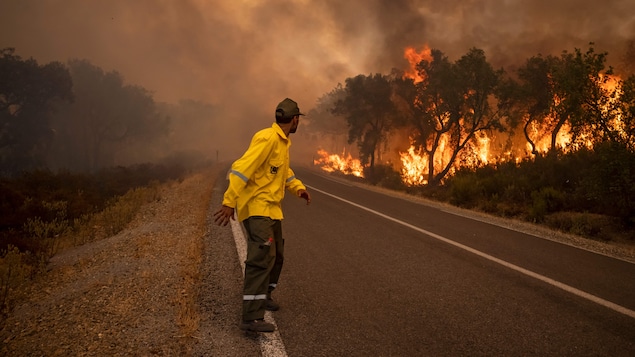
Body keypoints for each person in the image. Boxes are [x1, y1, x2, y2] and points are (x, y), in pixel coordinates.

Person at [214, 98, 311, 333]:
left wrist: (298, 187)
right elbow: (241, 168)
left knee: (277, 255)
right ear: (295, 119)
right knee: (260, 258)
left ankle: (264, 294)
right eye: (299, 118)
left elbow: (284, 172)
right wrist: (229, 202)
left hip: (271, 209)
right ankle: (251, 317)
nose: (299, 122)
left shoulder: (282, 142)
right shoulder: (267, 138)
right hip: (257, 208)